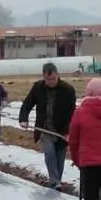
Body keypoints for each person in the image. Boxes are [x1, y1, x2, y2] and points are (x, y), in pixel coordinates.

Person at [17, 61, 77, 189]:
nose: (50, 82)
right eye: (47, 79)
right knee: (49, 153)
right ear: (43, 77)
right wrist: (23, 118)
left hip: (61, 129)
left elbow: (72, 113)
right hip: (45, 128)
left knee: (60, 156)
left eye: (53, 79)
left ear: (57, 75)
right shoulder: (38, 88)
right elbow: (27, 104)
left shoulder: (68, 90)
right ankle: (55, 181)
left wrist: (68, 131)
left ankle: (57, 181)